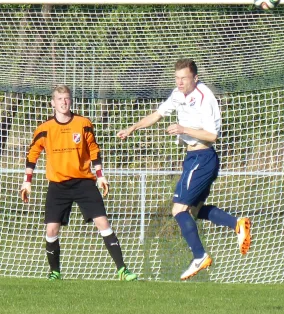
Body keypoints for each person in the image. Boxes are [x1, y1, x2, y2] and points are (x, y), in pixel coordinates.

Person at [117, 58, 251, 281]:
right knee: (195, 212)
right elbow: (157, 114)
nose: (179, 82)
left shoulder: (204, 98)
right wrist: (132, 128)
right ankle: (236, 224)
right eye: (177, 78)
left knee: (178, 210)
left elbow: (212, 135)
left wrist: (183, 128)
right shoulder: (178, 94)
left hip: (202, 157)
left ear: (195, 78)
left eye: (184, 78)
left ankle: (200, 256)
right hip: (194, 157)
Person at [20, 84, 137, 281]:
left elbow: (93, 150)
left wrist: (100, 175)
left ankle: (122, 270)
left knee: (103, 223)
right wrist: (27, 181)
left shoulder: (83, 123)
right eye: (59, 99)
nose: (63, 102)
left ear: (71, 101)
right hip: (58, 185)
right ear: (53, 103)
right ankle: (54, 272)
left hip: (84, 182)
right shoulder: (44, 129)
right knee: (51, 229)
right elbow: (33, 154)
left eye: (66, 98)